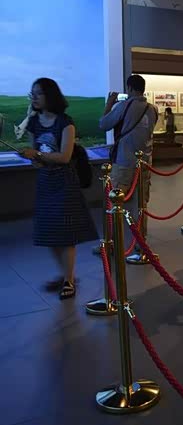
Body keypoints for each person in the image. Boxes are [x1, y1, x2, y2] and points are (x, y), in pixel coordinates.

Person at [19, 78, 98, 299]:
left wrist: (37, 154)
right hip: (45, 182)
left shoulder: (65, 122)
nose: (34, 97)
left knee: (65, 235)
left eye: (38, 93)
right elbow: (37, 158)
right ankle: (65, 274)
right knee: (49, 233)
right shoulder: (34, 123)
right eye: (32, 93)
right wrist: (33, 157)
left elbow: (64, 156)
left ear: (50, 95)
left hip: (64, 183)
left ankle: (69, 280)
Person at [99, 74, 158, 221]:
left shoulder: (123, 106)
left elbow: (103, 124)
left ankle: (116, 234)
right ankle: (140, 234)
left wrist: (109, 104)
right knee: (141, 205)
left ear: (129, 88)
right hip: (144, 163)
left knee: (115, 202)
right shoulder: (153, 109)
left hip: (124, 163)